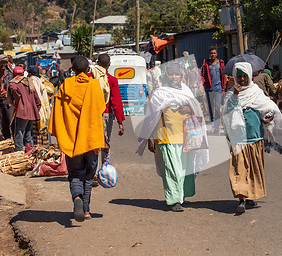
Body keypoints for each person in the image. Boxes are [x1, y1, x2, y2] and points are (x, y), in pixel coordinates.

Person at [138, 62, 208, 212]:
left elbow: (196, 108)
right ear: (166, 76)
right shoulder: (160, 93)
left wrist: (189, 107)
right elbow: (151, 117)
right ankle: (174, 200)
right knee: (171, 169)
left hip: (185, 136)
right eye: (172, 74)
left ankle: (181, 195)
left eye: (177, 74)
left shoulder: (187, 91)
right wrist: (150, 137)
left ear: (181, 75)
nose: (174, 77)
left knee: (184, 169)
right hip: (166, 136)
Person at [222, 62, 282, 213]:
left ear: (249, 76)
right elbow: (226, 111)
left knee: (254, 167)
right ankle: (241, 199)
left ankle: (251, 195)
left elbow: (268, 107)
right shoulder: (232, 93)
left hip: (255, 135)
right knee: (239, 168)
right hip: (238, 137)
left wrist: (267, 119)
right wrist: (235, 96)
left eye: (244, 76)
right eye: (239, 76)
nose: (242, 80)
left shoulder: (256, 91)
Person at [49, 56, 106, 222]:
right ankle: (87, 210)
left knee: (75, 174)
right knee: (88, 176)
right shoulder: (94, 86)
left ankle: (77, 199)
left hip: (72, 140)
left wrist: (60, 133)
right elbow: (101, 108)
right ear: (88, 70)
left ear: (72, 70)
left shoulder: (65, 86)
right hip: (90, 139)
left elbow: (57, 112)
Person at [90, 54, 125, 165]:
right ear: (109, 65)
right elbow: (116, 102)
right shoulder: (112, 80)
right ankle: (104, 169)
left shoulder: (89, 77)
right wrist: (120, 121)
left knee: (92, 142)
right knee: (105, 142)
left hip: (91, 114)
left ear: (97, 63)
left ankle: (92, 172)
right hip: (106, 114)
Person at [8, 66, 41, 152]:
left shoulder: (13, 83)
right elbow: (37, 99)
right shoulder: (29, 81)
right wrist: (36, 109)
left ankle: (19, 152)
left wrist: (19, 102)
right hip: (32, 111)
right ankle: (30, 151)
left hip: (22, 111)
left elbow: (15, 94)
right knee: (29, 132)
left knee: (19, 132)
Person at [200, 46, 226, 134]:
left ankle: (217, 126)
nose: (213, 55)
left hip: (218, 89)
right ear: (209, 54)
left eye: (214, 53)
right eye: (211, 53)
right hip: (208, 88)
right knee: (210, 108)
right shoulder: (206, 63)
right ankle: (213, 125)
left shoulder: (221, 63)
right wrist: (202, 83)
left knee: (217, 108)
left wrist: (223, 87)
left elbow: (224, 75)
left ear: (216, 54)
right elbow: (202, 75)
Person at [28, 67, 50, 146]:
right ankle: (45, 146)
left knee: (36, 129)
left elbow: (35, 94)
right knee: (43, 127)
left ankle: (38, 147)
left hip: (37, 107)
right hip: (44, 106)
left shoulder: (32, 80)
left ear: (30, 73)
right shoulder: (41, 80)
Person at [0, 54, 15, 139]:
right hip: (0, 100)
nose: (3, 64)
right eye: (1, 62)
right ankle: (7, 139)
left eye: (4, 63)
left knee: (11, 121)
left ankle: (16, 142)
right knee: (3, 123)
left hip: (8, 100)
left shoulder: (10, 74)